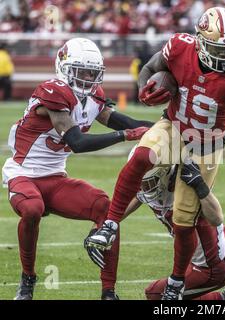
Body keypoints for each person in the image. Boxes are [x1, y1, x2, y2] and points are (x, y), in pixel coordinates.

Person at [86, 6, 225, 300]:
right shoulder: (180, 47)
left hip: (207, 145)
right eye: (215, 48)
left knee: (184, 220)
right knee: (142, 156)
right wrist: (145, 87)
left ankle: (177, 280)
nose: (223, 56)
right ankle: (109, 225)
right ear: (199, 40)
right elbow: (149, 68)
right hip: (173, 125)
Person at [1, 37, 152, 300]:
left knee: (106, 210)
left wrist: (165, 126)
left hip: (56, 177)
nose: (87, 77)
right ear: (64, 67)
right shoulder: (53, 92)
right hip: (24, 174)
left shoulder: (93, 96)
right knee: (33, 208)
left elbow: (120, 120)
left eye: (92, 73)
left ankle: (108, 291)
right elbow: (78, 143)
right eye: (81, 71)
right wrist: (126, 135)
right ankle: (28, 279)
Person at [85, 146, 225, 300]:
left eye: (147, 183)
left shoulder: (184, 186)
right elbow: (131, 202)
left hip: (213, 263)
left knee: (156, 294)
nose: (142, 187)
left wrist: (199, 184)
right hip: (218, 249)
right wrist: (100, 229)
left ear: (164, 175)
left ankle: (221, 298)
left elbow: (216, 217)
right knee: (201, 267)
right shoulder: (152, 188)